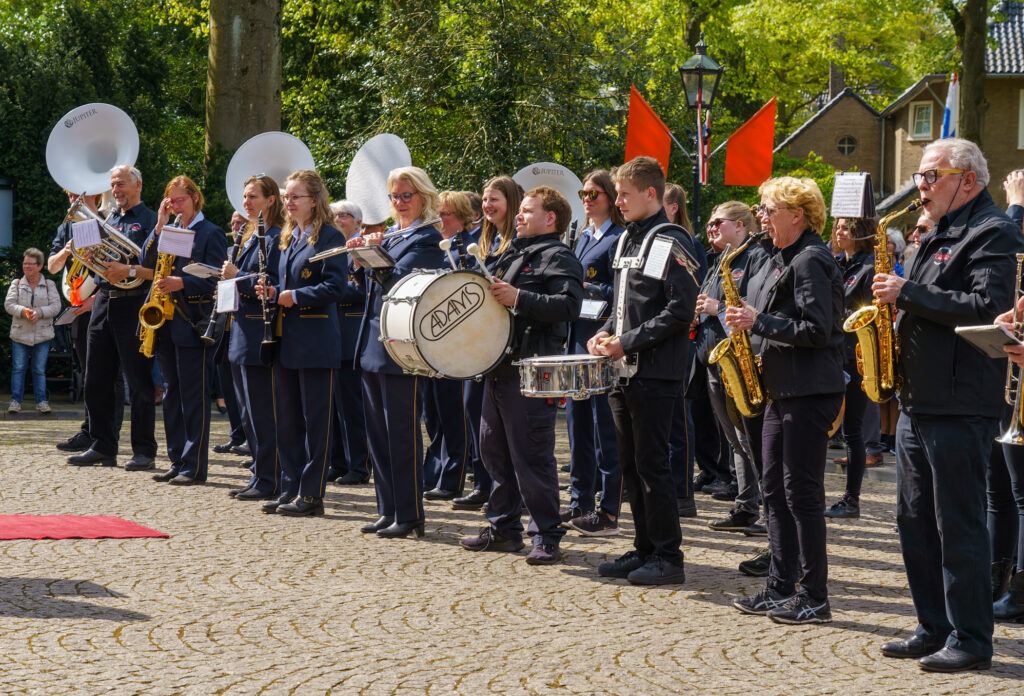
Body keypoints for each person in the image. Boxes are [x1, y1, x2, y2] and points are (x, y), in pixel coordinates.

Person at [874, 138, 1022, 672]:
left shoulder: (994, 232)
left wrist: (906, 294)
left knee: (958, 523)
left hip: (961, 400)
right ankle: (932, 626)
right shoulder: (934, 232)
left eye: (931, 176)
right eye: (919, 176)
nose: (921, 186)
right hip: (920, 398)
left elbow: (990, 307)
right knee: (913, 520)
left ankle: (972, 639)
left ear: (969, 179)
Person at [727, 176, 845, 624]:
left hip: (810, 391)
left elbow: (818, 331)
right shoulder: (782, 257)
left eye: (768, 209)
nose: (761, 217)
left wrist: (759, 323)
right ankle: (781, 586)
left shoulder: (811, 259)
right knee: (774, 490)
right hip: (783, 390)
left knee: (802, 495)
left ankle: (814, 595)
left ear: (797, 214)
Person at [459, 185, 583, 565]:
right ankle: (503, 528)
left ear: (551, 219)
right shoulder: (512, 252)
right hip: (497, 368)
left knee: (531, 457)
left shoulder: (558, 256)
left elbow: (570, 306)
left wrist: (520, 298)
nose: (518, 216)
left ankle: (546, 535)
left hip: (529, 371)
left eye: (528, 211)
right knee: (493, 451)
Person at [589, 156, 698, 584]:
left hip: (655, 373)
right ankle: (644, 548)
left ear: (650, 194)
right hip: (623, 372)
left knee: (653, 467)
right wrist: (603, 334)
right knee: (630, 466)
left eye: (624, 194)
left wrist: (625, 342)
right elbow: (624, 307)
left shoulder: (670, 240)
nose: (617, 202)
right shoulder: (627, 240)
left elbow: (679, 310)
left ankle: (670, 559)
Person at [352, 166, 445, 537]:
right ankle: (386, 507)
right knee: (377, 433)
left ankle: (408, 513)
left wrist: (371, 257)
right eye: (394, 196)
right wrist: (358, 259)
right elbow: (368, 286)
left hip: (402, 347)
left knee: (401, 433)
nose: (401, 203)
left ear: (423, 196)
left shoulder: (427, 238)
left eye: (407, 195)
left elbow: (405, 283)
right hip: (374, 341)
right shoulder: (392, 235)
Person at [258, 170, 346, 516]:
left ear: (315, 200)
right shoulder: (287, 236)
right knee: (288, 419)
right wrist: (264, 289)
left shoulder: (330, 237)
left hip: (315, 342)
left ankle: (311, 494)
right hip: (285, 340)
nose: (288, 203)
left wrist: (292, 295)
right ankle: (291, 485)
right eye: (286, 197)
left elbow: (335, 287)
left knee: (316, 421)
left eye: (295, 197)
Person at [68, 165, 158, 470]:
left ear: (138, 185)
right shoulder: (109, 218)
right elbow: (96, 260)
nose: (115, 190)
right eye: (112, 185)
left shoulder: (150, 221)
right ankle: (102, 445)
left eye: (120, 184)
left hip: (134, 304)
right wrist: (92, 258)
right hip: (104, 302)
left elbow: (161, 270)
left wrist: (129, 270)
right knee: (95, 380)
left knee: (138, 382)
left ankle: (144, 449)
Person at [144, 175, 228, 486]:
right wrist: (159, 224)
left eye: (180, 200)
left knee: (194, 396)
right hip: (165, 322)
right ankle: (177, 459)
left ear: (195, 197)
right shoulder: (170, 229)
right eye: (171, 201)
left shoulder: (210, 232)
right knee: (171, 394)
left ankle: (194, 466)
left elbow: (220, 276)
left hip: (192, 321)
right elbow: (147, 261)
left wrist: (183, 282)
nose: (176, 206)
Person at [696, 202, 768, 534]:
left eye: (717, 222)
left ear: (740, 226)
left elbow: (755, 310)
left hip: (740, 361)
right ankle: (745, 504)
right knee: (734, 440)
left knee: (749, 438)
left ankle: (768, 510)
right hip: (714, 359)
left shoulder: (754, 258)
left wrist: (717, 307)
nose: (711, 228)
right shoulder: (719, 261)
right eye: (709, 223)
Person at [452, 177, 523, 512]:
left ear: (510, 201)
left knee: (504, 424)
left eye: (494, 199)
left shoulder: (518, 242)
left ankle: (510, 492)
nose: (487, 206)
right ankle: (484, 484)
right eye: (484, 200)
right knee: (477, 415)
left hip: (503, 342)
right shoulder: (485, 240)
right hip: (479, 340)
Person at [561, 169, 625, 536]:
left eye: (594, 194)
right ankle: (579, 502)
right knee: (577, 426)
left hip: (600, 340)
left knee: (605, 430)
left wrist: (591, 287)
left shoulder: (618, 237)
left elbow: (619, 292)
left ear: (610, 197)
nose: (587, 199)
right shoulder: (582, 236)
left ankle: (608, 508)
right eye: (583, 193)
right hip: (576, 340)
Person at [221, 174, 285, 500]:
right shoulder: (248, 236)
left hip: (258, 331)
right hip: (240, 330)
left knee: (261, 410)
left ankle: (269, 479)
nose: (246, 203)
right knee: (247, 411)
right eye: (245, 198)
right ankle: (260, 474)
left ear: (271, 200)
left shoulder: (273, 237)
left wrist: (237, 277)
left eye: (253, 197)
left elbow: (268, 282)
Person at [48, 192, 125, 448]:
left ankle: (107, 433)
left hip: (103, 304)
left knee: (109, 374)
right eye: (69, 191)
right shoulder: (67, 226)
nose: (71, 196)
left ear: (93, 191)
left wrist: (92, 301)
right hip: (79, 308)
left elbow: (115, 268)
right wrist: (66, 251)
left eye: (76, 191)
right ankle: (90, 430)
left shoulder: (110, 221)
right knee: (89, 373)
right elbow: (52, 266)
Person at [419, 191, 476, 499]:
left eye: (447, 214)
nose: (440, 219)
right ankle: (435, 470)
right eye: (438, 213)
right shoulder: (434, 244)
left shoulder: (469, 245)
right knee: (433, 412)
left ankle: (452, 476)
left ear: (464, 217)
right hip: (432, 338)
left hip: (458, 341)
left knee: (454, 414)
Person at [825, 217, 877, 519]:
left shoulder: (868, 268)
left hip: (855, 356)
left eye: (846, 227)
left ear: (861, 233)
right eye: (838, 226)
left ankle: (851, 498)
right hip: (834, 355)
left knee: (852, 431)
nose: (838, 232)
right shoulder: (838, 264)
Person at [325, 200, 370, 486]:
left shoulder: (362, 250)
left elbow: (363, 290)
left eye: (346, 215)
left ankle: (360, 465)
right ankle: (338, 461)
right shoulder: (330, 250)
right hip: (330, 337)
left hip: (352, 339)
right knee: (333, 408)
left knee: (353, 408)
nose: (339, 219)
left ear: (358, 222)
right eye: (336, 215)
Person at [6, 248, 61, 413]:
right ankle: (15, 401)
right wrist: (24, 311)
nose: (26, 267)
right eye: (25, 263)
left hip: (43, 335)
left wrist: (40, 312)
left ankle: (41, 401)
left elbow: (56, 307)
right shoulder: (16, 283)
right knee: (18, 368)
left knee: (38, 369)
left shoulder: (49, 284)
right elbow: (8, 305)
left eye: (30, 264)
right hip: (20, 334)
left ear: (40, 266)